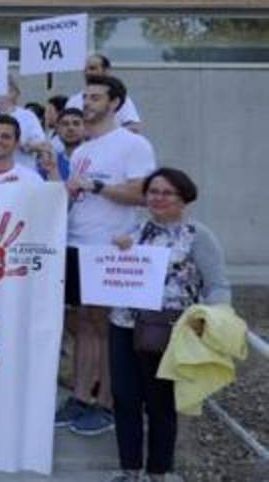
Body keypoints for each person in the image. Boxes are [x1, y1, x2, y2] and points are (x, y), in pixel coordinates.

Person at [107, 169, 230, 482]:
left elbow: (217, 285)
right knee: (125, 398)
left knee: (160, 403)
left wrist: (212, 317)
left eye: (167, 193)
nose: (158, 198)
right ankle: (129, 469)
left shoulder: (197, 235)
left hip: (169, 330)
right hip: (123, 325)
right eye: (153, 192)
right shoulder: (134, 230)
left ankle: (159, 471)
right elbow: (114, 271)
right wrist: (115, 251)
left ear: (183, 198)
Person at [57, 75, 156, 437]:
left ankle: (108, 404)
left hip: (108, 247)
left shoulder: (133, 144)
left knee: (106, 326)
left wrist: (97, 186)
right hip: (76, 242)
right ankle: (81, 397)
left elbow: (142, 194)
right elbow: (78, 194)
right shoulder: (82, 150)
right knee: (84, 322)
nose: (87, 102)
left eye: (95, 97)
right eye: (86, 96)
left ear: (115, 103)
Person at [66, 54, 143, 133]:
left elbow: (133, 127)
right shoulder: (74, 101)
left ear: (106, 71)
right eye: (85, 70)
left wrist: (106, 139)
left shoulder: (120, 99)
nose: (88, 72)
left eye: (92, 68)